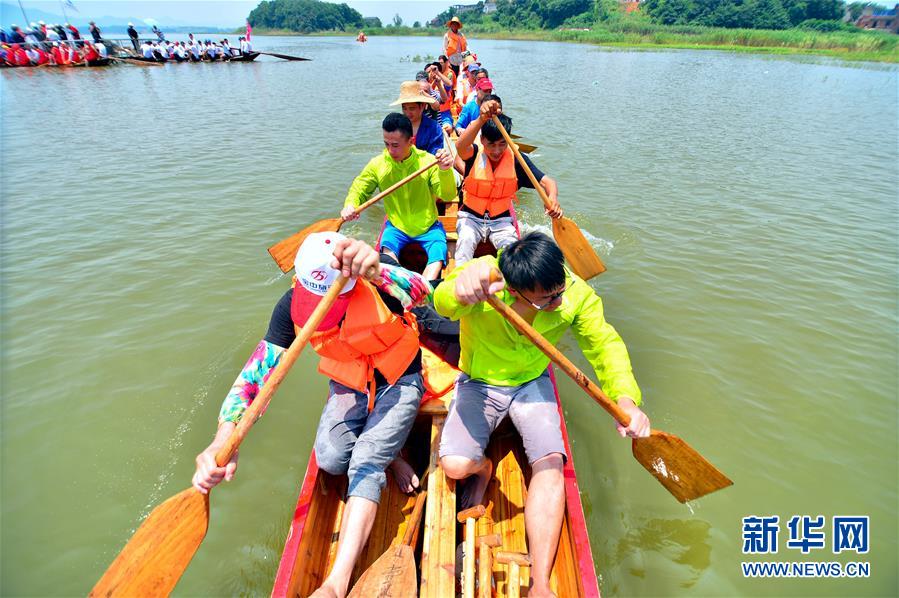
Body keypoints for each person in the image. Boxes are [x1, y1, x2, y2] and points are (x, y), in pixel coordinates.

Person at [193, 234, 431, 598]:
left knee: (365, 462)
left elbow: (423, 291)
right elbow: (255, 376)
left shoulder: (374, 282)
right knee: (333, 460)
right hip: (349, 382)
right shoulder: (291, 305)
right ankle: (392, 451)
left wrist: (379, 270)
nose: (318, 309)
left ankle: (336, 582)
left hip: (398, 378)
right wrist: (224, 436)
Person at [434, 232, 651, 598]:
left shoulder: (573, 293)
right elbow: (441, 302)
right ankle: (484, 467)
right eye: (548, 299)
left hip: (533, 382)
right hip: (480, 381)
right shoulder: (486, 277)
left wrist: (626, 399)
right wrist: (456, 290)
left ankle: (541, 583)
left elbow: (604, 344)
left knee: (550, 463)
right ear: (515, 292)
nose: (560, 300)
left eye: (560, 289)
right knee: (455, 466)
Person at [341, 113, 456, 281]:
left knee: (438, 255)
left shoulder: (428, 162)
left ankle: (422, 291)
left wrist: (445, 171)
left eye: (395, 145)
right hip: (396, 227)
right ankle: (406, 284)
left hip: (428, 227)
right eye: (386, 144)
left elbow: (448, 194)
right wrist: (350, 204)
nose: (390, 150)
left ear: (411, 141)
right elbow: (360, 187)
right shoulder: (378, 164)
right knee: (387, 253)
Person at [453, 100, 562, 264]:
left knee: (511, 252)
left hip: (501, 220)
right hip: (471, 217)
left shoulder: (517, 160)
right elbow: (460, 146)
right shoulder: (474, 153)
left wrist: (552, 199)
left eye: (502, 143)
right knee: (465, 243)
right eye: (491, 145)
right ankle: (461, 285)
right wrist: (481, 119)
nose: (497, 151)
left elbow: (548, 182)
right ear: (482, 140)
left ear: (508, 140)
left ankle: (510, 286)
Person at [390, 81, 444, 157]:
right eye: (404, 108)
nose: (408, 113)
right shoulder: (396, 127)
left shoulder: (434, 128)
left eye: (412, 109)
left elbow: (434, 153)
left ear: (422, 106)